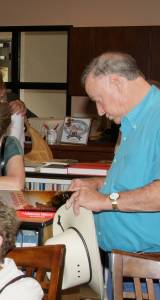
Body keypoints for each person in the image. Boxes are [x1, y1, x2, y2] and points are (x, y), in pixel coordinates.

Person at [65, 52, 160, 297]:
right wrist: (100, 184)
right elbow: (139, 179)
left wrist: (105, 201)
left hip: (151, 272)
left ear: (117, 82)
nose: (99, 110)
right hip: (123, 267)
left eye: (99, 99)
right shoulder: (130, 123)